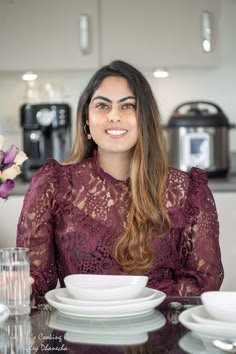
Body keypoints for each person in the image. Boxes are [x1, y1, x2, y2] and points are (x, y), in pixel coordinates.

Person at [16, 60, 224, 303]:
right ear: (86, 120)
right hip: (80, 334)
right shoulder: (52, 185)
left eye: (128, 106)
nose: (114, 116)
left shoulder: (187, 191)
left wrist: (140, 303)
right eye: (102, 106)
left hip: (161, 335)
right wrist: (18, 287)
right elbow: (35, 281)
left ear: (144, 119)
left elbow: (204, 283)